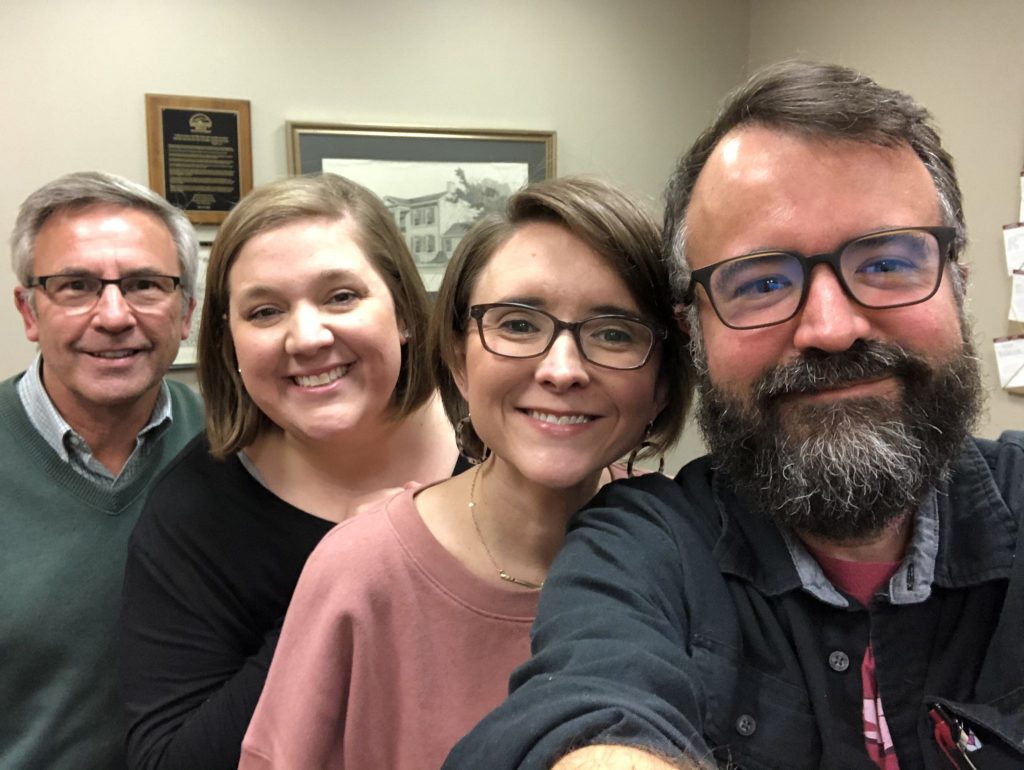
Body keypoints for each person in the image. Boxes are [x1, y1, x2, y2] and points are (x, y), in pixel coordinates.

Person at [445, 61, 1024, 770]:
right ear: (694, 332)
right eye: (762, 282)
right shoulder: (641, 549)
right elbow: (586, 705)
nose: (832, 327)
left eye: (886, 263)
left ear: (958, 282)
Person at [237, 175, 692, 770]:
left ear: (661, 384)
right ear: (457, 357)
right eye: (519, 324)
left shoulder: (690, 561)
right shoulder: (357, 576)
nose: (562, 370)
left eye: (613, 333)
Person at [117, 173, 462, 770]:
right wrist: (342, 575)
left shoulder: (500, 438)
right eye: (265, 310)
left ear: (404, 310)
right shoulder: (196, 511)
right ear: (230, 345)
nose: (306, 337)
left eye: (341, 297)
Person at [0, 171, 203, 769]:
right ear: (29, 310)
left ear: (186, 311)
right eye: (76, 286)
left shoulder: (239, 449)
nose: (114, 316)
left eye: (145, 285)